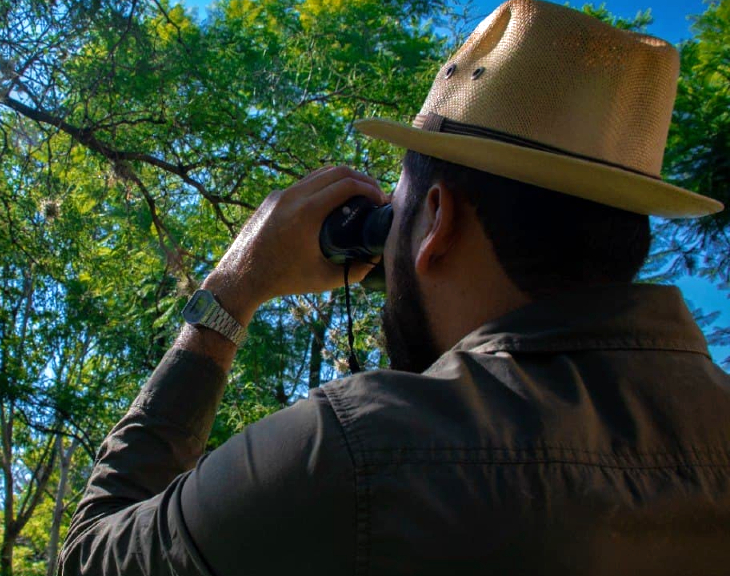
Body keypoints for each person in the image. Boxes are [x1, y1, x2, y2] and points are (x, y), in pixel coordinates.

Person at [59, 0, 730, 574]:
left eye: (399, 212)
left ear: (435, 220)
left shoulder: (358, 455)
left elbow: (92, 557)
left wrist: (230, 294)